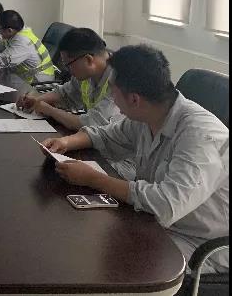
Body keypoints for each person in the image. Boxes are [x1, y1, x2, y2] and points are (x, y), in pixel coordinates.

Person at [41, 45, 229, 273]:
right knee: (84, 243)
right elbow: (106, 135)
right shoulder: (149, 115)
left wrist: (94, 179)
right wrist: (66, 142)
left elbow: (166, 204)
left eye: (113, 91)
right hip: (156, 223)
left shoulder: (200, 135)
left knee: (111, 265)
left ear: (134, 99)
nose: (112, 98)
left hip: (199, 243)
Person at [16, 28, 134, 179]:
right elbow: (64, 93)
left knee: (62, 175)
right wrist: (37, 100)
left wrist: (49, 109)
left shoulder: (119, 82)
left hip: (124, 161)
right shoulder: (88, 73)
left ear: (89, 60)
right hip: (98, 146)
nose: (68, 71)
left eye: (69, 64)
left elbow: (88, 123)